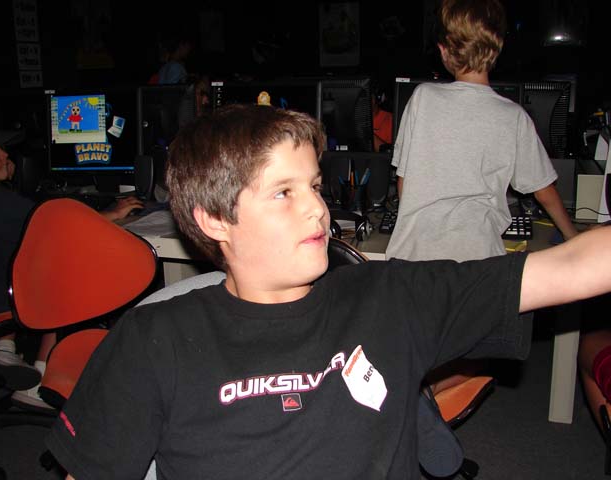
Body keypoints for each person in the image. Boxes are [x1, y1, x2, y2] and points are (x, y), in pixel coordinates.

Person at [45, 104, 611, 480]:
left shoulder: (391, 297)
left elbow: (570, 267)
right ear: (214, 219)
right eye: (284, 192)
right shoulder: (153, 340)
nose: (318, 208)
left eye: (314, 185)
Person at [384, 0, 580, 396]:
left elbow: (404, 184)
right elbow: (544, 191)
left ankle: (410, 395)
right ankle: (422, 397)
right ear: (498, 48)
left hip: (411, 267)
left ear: (444, 51)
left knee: (415, 346)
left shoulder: (421, 98)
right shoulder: (513, 117)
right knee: (483, 355)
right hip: (475, 270)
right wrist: (573, 237)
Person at [0, 118, 143, 412]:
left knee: (19, 257)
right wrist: (112, 213)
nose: (5, 155)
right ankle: (43, 381)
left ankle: (5, 349)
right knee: (66, 273)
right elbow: (59, 226)